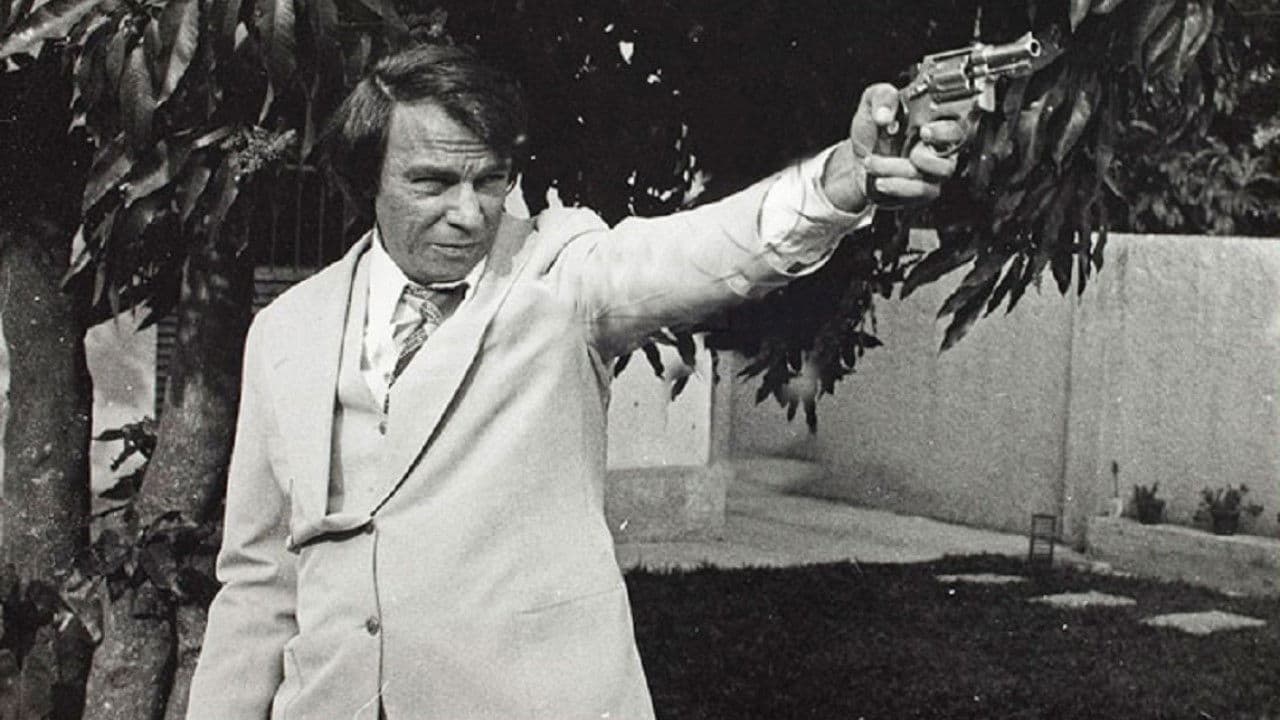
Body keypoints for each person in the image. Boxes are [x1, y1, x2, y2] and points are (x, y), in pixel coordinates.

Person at [186, 42, 966, 720]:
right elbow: (258, 584)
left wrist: (843, 180)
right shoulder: (286, 331)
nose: (470, 214)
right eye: (432, 183)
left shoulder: (561, 274)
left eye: (490, 181)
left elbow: (696, 252)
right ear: (367, 183)